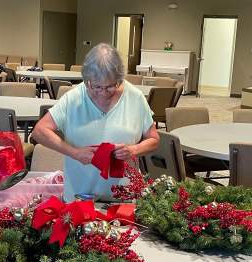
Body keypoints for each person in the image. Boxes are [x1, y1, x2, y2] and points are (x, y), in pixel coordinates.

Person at [32, 43, 159, 202]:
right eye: (96, 86)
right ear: (87, 80)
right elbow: (40, 131)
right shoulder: (74, 98)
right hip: (79, 197)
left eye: (110, 87)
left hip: (124, 197)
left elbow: (153, 139)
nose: (103, 93)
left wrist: (133, 150)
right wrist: (75, 153)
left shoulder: (135, 97)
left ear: (119, 79)